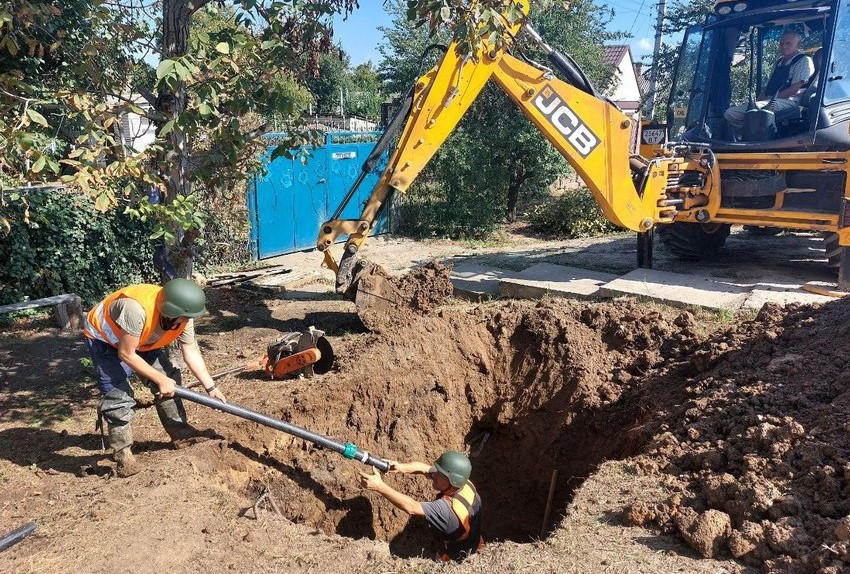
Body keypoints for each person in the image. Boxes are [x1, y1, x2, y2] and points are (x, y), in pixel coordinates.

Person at [83, 278, 226, 477]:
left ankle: (181, 434)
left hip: (142, 339)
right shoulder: (136, 310)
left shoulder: (184, 314)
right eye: (183, 318)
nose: (186, 322)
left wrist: (211, 388)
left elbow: (191, 351)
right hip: (105, 338)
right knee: (118, 396)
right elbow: (126, 354)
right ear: (170, 312)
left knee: (170, 379)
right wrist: (159, 380)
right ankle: (123, 455)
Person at [359, 450, 484, 562]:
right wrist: (400, 467)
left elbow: (411, 507)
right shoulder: (465, 483)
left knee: (445, 559)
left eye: (439, 474)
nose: (434, 475)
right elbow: (423, 468)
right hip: (474, 540)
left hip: (455, 557)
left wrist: (380, 487)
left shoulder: (447, 511)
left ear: (452, 481)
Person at [724, 30, 814, 139]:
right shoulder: (778, 63)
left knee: (757, 110)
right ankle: (750, 134)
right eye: (782, 44)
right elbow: (769, 87)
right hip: (771, 101)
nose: (784, 46)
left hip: (790, 101)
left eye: (788, 43)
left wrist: (769, 100)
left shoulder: (803, 61)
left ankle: (759, 134)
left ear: (798, 45)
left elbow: (793, 90)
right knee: (730, 114)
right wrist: (760, 100)